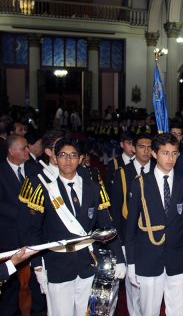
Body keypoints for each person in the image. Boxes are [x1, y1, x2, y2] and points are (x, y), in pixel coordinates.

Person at [28, 137, 126, 316]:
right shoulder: (43, 188)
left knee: (86, 312)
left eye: (73, 155)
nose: (68, 160)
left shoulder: (94, 188)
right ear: (55, 158)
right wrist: (37, 265)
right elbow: (33, 230)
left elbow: (107, 225)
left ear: (81, 159)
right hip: (57, 264)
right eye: (63, 155)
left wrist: (119, 258)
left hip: (87, 262)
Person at [125, 133, 183, 316]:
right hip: (147, 259)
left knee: (176, 309)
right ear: (154, 154)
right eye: (165, 153)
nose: (170, 158)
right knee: (149, 310)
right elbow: (131, 227)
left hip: (178, 258)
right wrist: (131, 263)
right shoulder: (140, 184)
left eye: (174, 153)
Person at [110, 132, 154, 316]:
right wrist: (119, 242)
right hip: (130, 236)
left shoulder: (158, 172)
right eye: (141, 147)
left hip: (153, 236)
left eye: (149, 147)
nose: (146, 151)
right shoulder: (122, 173)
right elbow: (116, 210)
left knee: (151, 283)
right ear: (134, 149)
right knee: (133, 282)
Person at [0, 134, 40, 316]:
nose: (27, 151)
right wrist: (25, 214)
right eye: (23, 148)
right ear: (11, 151)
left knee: (34, 276)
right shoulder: (1, 172)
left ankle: (37, 308)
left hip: (33, 232)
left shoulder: (35, 168)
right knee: (12, 279)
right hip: (10, 234)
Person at [105, 131, 135, 195]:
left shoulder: (141, 162)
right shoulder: (113, 164)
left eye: (134, 144)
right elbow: (108, 188)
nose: (132, 146)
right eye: (129, 143)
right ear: (122, 144)